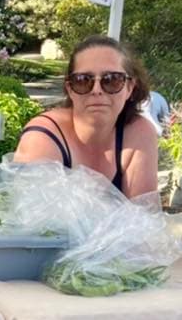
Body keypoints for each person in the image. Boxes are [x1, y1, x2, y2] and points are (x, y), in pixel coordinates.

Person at [14, 35, 158, 198]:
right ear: (70, 89)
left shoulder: (139, 132)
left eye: (112, 80)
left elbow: (145, 211)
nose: (97, 90)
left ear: (130, 88)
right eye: (82, 80)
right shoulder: (42, 137)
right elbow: (33, 210)